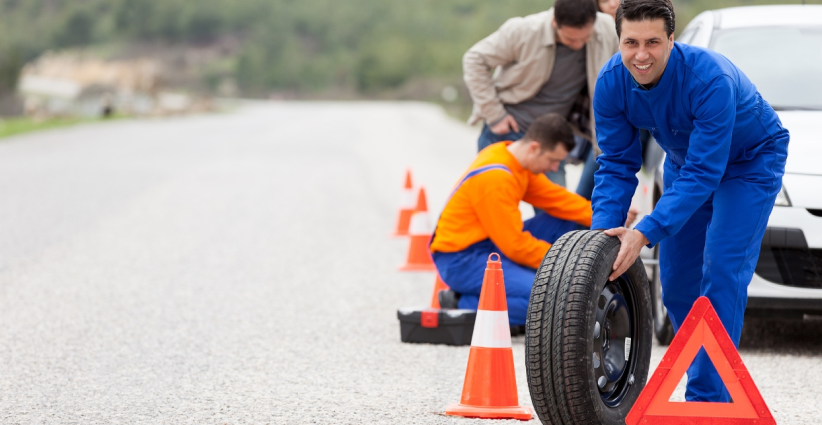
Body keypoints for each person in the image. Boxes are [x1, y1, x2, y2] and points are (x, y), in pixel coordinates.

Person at [591, 0, 789, 403]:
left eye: (652, 42)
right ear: (619, 40)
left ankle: (709, 399)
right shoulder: (611, 83)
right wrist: (603, 237)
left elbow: (705, 172)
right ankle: (708, 371)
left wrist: (644, 232)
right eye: (631, 43)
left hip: (749, 164)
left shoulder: (708, 78)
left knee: (722, 269)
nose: (641, 55)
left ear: (671, 40)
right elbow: (615, 164)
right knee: (678, 284)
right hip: (686, 165)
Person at [430, 114, 592, 327]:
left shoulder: (514, 160)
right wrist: (566, 264)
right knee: (543, 302)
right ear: (534, 148)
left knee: (566, 221)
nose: (555, 168)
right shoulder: (496, 177)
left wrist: (609, 218)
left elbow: (559, 200)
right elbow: (515, 246)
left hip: (490, 244)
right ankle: (460, 301)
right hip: (461, 259)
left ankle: (520, 282)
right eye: (553, 160)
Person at [462, 0, 618, 188]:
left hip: (552, 139)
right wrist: (495, 115)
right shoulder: (523, 30)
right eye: (570, 39)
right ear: (555, 22)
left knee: (556, 204)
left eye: (585, 38)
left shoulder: (606, 28)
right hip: (507, 131)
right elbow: (474, 59)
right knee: (491, 195)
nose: (578, 45)